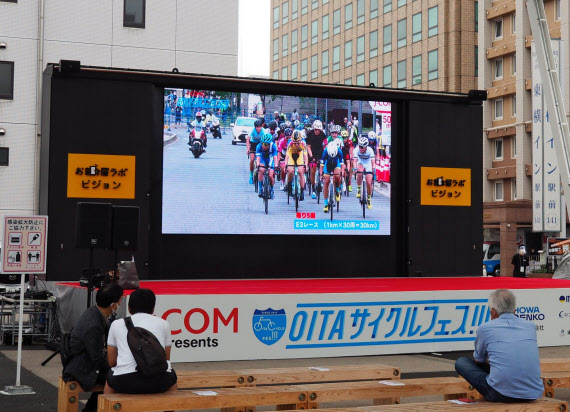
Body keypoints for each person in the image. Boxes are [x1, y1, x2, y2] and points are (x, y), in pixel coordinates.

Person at [454, 289, 543, 403]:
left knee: (462, 362)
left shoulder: (485, 328)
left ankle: (501, 383)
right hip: (533, 393)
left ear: (493, 312)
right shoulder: (530, 326)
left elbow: (479, 360)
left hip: (501, 393)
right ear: (514, 310)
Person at [62, 283, 124, 412]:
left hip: (82, 360)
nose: (121, 302)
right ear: (113, 305)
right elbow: (97, 359)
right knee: (121, 379)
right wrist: (117, 367)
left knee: (117, 375)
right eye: (120, 299)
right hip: (81, 368)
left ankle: (91, 408)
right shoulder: (93, 325)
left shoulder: (94, 312)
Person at [104, 289, 178, 394]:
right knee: (171, 379)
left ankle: (107, 408)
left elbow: (112, 362)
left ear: (129, 309)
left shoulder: (116, 324)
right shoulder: (164, 324)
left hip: (125, 381)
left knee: (110, 379)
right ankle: (173, 407)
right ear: (153, 309)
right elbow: (166, 359)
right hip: (159, 381)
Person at [285, 129, 308, 201]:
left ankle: (301, 191)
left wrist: (306, 165)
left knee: (301, 171)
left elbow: (305, 156)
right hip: (291, 155)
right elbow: (287, 156)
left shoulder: (303, 144)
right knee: (291, 170)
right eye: (295, 143)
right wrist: (286, 165)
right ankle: (289, 184)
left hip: (299, 155)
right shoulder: (290, 143)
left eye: (298, 142)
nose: (296, 144)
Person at [354, 136, 375, 210]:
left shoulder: (370, 150)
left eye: (362, 147)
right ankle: (359, 189)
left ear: (366, 147)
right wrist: (355, 168)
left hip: (368, 162)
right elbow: (355, 160)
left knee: (369, 182)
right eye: (360, 146)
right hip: (360, 161)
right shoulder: (356, 150)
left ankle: (369, 198)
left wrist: (373, 169)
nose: (360, 148)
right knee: (359, 172)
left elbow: (372, 161)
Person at [321, 141, 343, 212]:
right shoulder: (325, 151)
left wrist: (341, 173)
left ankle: (337, 190)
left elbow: (341, 164)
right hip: (328, 164)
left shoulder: (339, 151)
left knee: (337, 175)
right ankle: (326, 204)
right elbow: (322, 164)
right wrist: (322, 174)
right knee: (326, 181)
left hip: (336, 163)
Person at [305, 120, 325, 199]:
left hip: (320, 151)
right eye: (315, 130)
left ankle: (321, 180)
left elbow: (325, 146)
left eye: (318, 130)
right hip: (312, 151)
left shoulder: (323, 135)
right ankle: (313, 187)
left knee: (321, 168)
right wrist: (311, 156)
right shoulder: (310, 134)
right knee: (312, 170)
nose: (317, 131)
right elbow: (308, 147)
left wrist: (324, 156)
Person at [256, 133, 279, 199]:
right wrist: (258, 165)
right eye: (262, 143)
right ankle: (260, 189)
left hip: (270, 158)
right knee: (261, 170)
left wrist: (276, 166)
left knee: (271, 175)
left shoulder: (273, 146)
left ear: (269, 144)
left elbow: (275, 157)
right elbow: (258, 158)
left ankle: (272, 189)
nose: (264, 146)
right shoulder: (259, 146)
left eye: (266, 144)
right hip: (263, 158)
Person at [247, 119, 265, 184]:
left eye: (260, 127)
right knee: (252, 160)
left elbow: (265, 140)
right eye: (257, 127)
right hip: (253, 144)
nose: (259, 128)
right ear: (255, 127)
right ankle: (251, 175)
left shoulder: (263, 131)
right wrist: (248, 148)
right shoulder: (252, 130)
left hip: (260, 144)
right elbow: (248, 139)